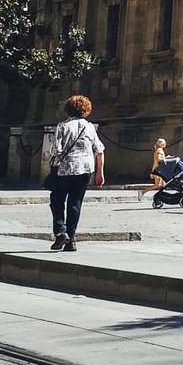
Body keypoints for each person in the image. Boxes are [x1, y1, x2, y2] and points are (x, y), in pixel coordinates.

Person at [49, 95, 104, 250]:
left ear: (68, 109)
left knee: (57, 199)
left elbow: (55, 150)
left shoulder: (63, 126)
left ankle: (61, 232)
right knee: (75, 202)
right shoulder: (90, 127)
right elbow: (99, 151)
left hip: (66, 169)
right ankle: (71, 240)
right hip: (86, 169)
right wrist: (100, 173)